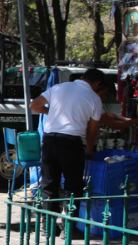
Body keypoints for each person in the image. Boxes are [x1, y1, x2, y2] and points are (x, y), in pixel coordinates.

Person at [30, 68, 108, 212]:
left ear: (83, 77)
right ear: (98, 83)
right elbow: (92, 131)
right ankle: (68, 225)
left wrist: (50, 111)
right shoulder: (94, 98)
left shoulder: (59, 87)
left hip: (49, 140)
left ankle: (47, 223)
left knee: (49, 184)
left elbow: (34, 105)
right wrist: (89, 149)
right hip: (71, 143)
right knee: (73, 185)